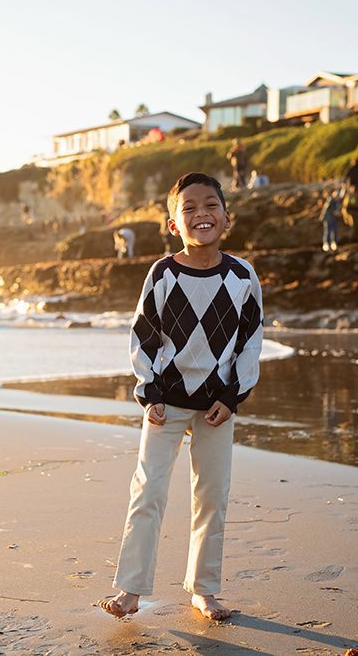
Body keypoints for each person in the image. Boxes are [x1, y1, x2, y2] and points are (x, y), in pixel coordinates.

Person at [99, 172, 264, 622]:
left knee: (212, 496)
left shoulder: (243, 276)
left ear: (226, 217)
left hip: (217, 407)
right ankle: (131, 589)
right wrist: (148, 392)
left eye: (210, 205)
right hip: (164, 404)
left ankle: (204, 590)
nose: (200, 214)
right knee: (147, 491)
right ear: (174, 224)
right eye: (187, 208)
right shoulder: (163, 273)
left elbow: (251, 341)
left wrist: (232, 397)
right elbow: (142, 335)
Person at [320, 187, 346, 252]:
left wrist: (344, 188)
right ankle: (326, 244)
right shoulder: (330, 200)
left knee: (335, 231)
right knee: (327, 231)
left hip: (334, 219)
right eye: (336, 195)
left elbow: (342, 196)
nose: (337, 196)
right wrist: (334, 212)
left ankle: (334, 244)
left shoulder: (338, 202)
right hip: (328, 219)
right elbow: (325, 209)